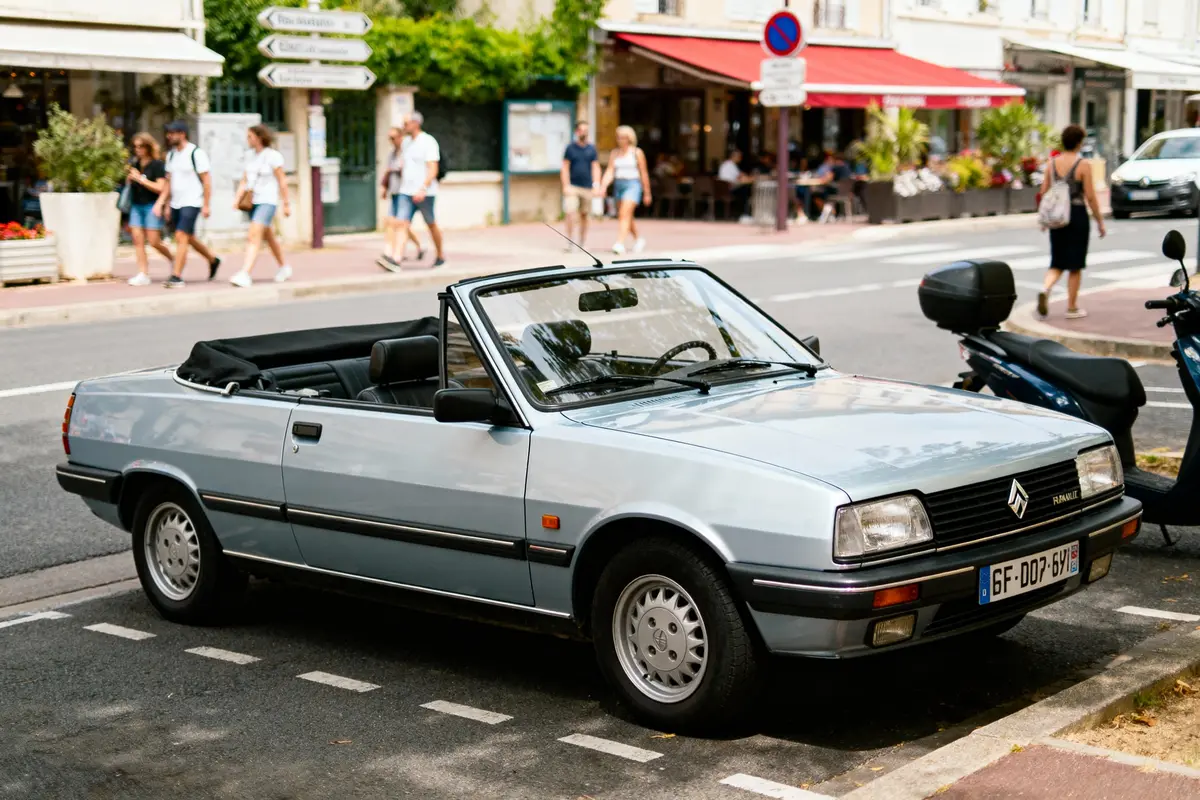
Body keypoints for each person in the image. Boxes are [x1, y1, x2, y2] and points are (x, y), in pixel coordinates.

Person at [1038, 125, 1106, 320]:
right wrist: (1100, 221)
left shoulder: (1051, 164)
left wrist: (1045, 218)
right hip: (1076, 214)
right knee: (1075, 264)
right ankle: (1072, 306)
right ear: (1079, 142)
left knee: (1057, 261)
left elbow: (1044, 191)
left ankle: (1046, 288)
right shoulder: (1083, 165)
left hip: (1057, 217)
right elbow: (1091, 197)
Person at [378, 111, 445, 272]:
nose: (404, 126)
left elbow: (433, 169)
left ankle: (440, 255)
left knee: (431, 224)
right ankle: (396, 259)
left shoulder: (428, 141)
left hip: (425, 193)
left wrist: (423, 188)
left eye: (406, 123)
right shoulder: (406, 143)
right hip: (406, 191)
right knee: (401, 223)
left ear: (416, 123)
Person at [158, 120, 221, 288]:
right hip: (177, 203)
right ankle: (212, 259)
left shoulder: (196, 153)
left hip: (192, 201)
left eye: (172, 133)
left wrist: (206, 204)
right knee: (188, 238)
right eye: (168, 133)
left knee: (181, 236)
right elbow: (169, 181)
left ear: (182, 134)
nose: (169, 136)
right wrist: (165, 204)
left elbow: (206, 181)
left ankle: (176, 276)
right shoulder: (171, 155)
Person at [228, 125, 293, 288]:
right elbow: (244, 180)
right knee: (268, 236)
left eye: (250, 136)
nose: (248, 140)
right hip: (253, 202)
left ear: (259, 137)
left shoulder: (273, 156)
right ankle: (284, 267)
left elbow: (282, 181)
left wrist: (286, 203)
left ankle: (245, 273)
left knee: (253, 235)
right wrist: (237, 199)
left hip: (267, 200)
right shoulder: (249, 156)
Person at [123, 132, 173, 286]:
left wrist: (141, 179)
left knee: (154, 241)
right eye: (135, 147)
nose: (138, 150)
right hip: (136, 205)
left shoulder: (157, 165)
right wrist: (130, 178)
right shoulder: (135, 163)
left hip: (151, 205)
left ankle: (175, 260)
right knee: (138, 240)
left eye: (141, 146)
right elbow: (129, 185)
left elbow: (160, 187)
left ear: (148, 147)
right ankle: (143, 273)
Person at [599, 125, 651, 254]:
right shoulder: (615, 153)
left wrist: (647, 192)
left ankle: (619, 243)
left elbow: (643, 173)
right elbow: (610, 171)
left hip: (632, 184)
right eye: (618, 137)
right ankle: (638, 239)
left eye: (623, 137)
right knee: (626, 216)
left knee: (624, 214)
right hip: (619, 184)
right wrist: (603, 185)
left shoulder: (637, 152)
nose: (620, 140)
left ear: (629, 138)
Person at [380, 126, 424, 266]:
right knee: (396, 223)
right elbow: (388, 171)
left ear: (400, 137)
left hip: (405, 191)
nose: (391, 141)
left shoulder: (406, 152)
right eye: (389, 138)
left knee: (399, 224)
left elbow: (411, 170)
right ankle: (417, 247)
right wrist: (384, 187)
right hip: (394, 191)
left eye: (393, 138)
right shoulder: (392, 154)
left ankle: (393, 254)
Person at [561, 121, 601, 250]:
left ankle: (582, 241)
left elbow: (595, 167)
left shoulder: (591, 149)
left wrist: (596, 185)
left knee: (585, 215)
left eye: (586, 130)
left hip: (587, 187)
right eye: (582, 130)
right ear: (577, 132)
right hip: (573, 186)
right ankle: (570, 241)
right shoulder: (570, 148)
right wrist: (565, 185)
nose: (584, 132)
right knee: (570, 213)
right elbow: (565, 167)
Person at [717, 150, 754, 221]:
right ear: (734, 157)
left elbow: (740, 176)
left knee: (744, 189)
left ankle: (743, 213)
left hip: (722, 190)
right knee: (746, 190)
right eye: (739, 157)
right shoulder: (731, 165)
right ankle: (745, 214)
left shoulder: (726, 164)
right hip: (728, 190)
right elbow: (741, 177)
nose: (740, 159)